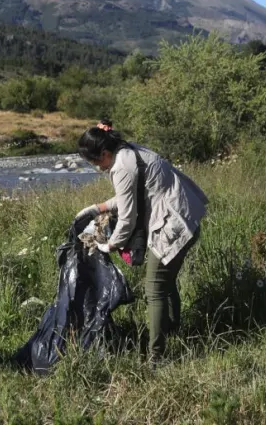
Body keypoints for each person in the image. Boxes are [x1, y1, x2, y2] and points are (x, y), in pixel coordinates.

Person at [74, 119, 208, 360]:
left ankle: (157, 356)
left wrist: (110, 244)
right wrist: (98, 207)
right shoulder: (127, 150)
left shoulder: (121, 166)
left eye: (95, 162)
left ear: (104, 153)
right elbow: (131, 197)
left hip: (173, 223)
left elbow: (127, 218)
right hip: (186, 214)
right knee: (165, 281)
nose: (97, 167)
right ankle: (173, 330)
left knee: (154, 289)